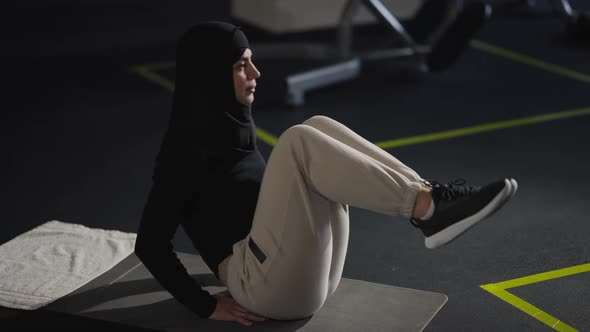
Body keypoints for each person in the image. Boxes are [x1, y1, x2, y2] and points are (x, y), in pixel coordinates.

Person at [134, 21, 517, 327]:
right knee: (298, 141)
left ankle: (428, 199)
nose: (256, 71)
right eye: (240, 65)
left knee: (317, 125)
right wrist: (204, 306)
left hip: (299, 275)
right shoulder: (182, 152)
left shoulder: (229, 121)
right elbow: (150, 244)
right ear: (211, 75)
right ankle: (428, 209)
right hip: (263, 288)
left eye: (250, 60)